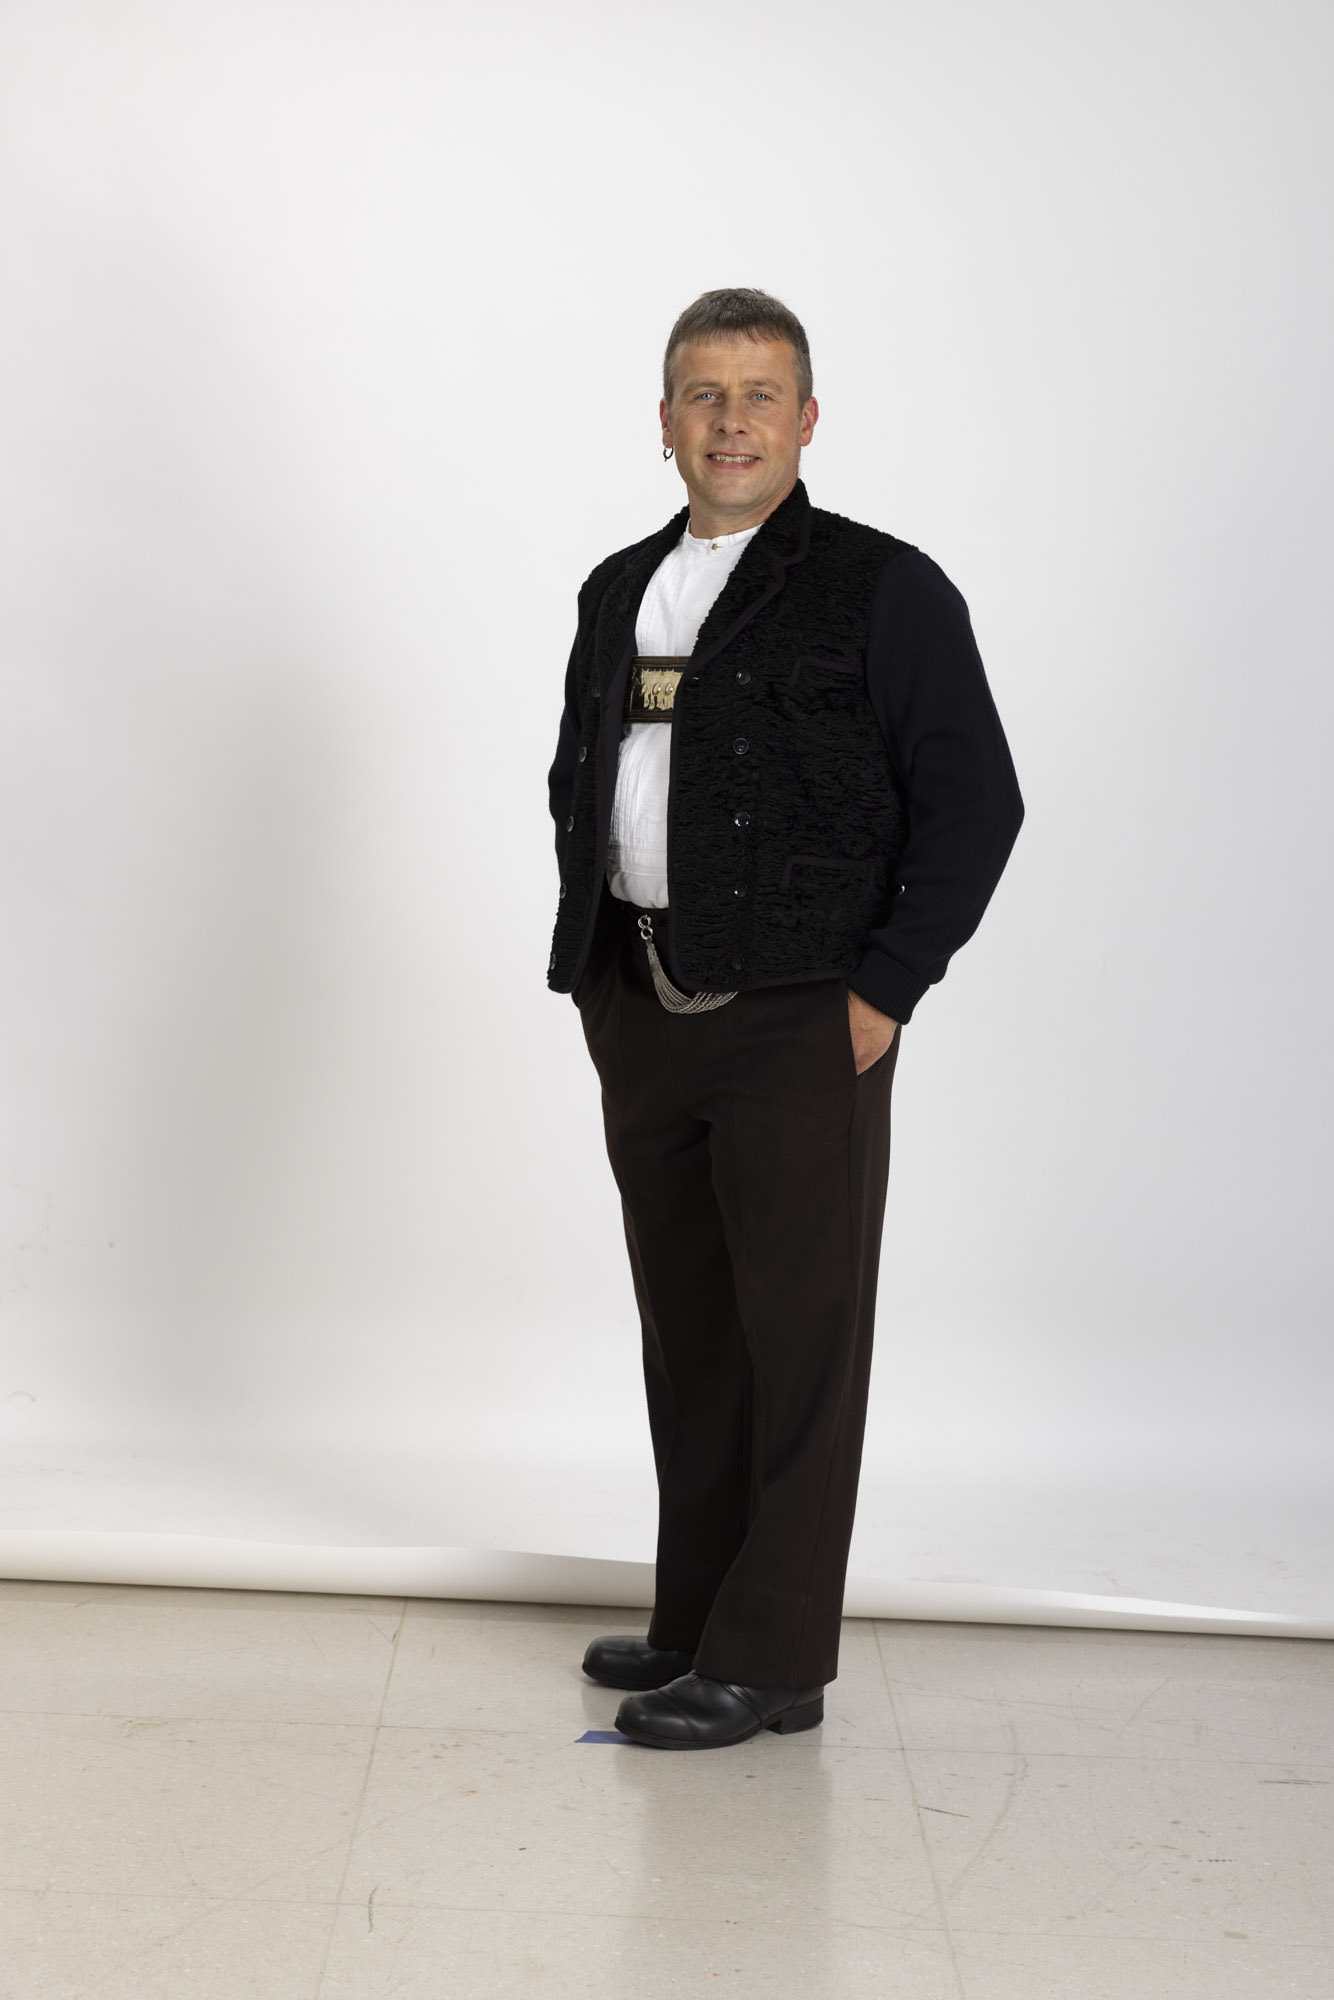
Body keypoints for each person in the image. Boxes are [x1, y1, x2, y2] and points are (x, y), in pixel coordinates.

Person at [546, 288, 1023, 1750]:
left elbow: (977, 804)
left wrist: (884, 989)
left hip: (804, 1019)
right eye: (704, 394)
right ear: (665, 421)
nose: (732, 422)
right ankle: (699, 1615)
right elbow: (580, 780)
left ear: (807, 420)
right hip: (641, 999)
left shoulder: (886, 587)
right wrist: (599, 969)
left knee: (800, 1341)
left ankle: (773, 1659)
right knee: (690, 1331)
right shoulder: (617, 588)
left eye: (760, 395)